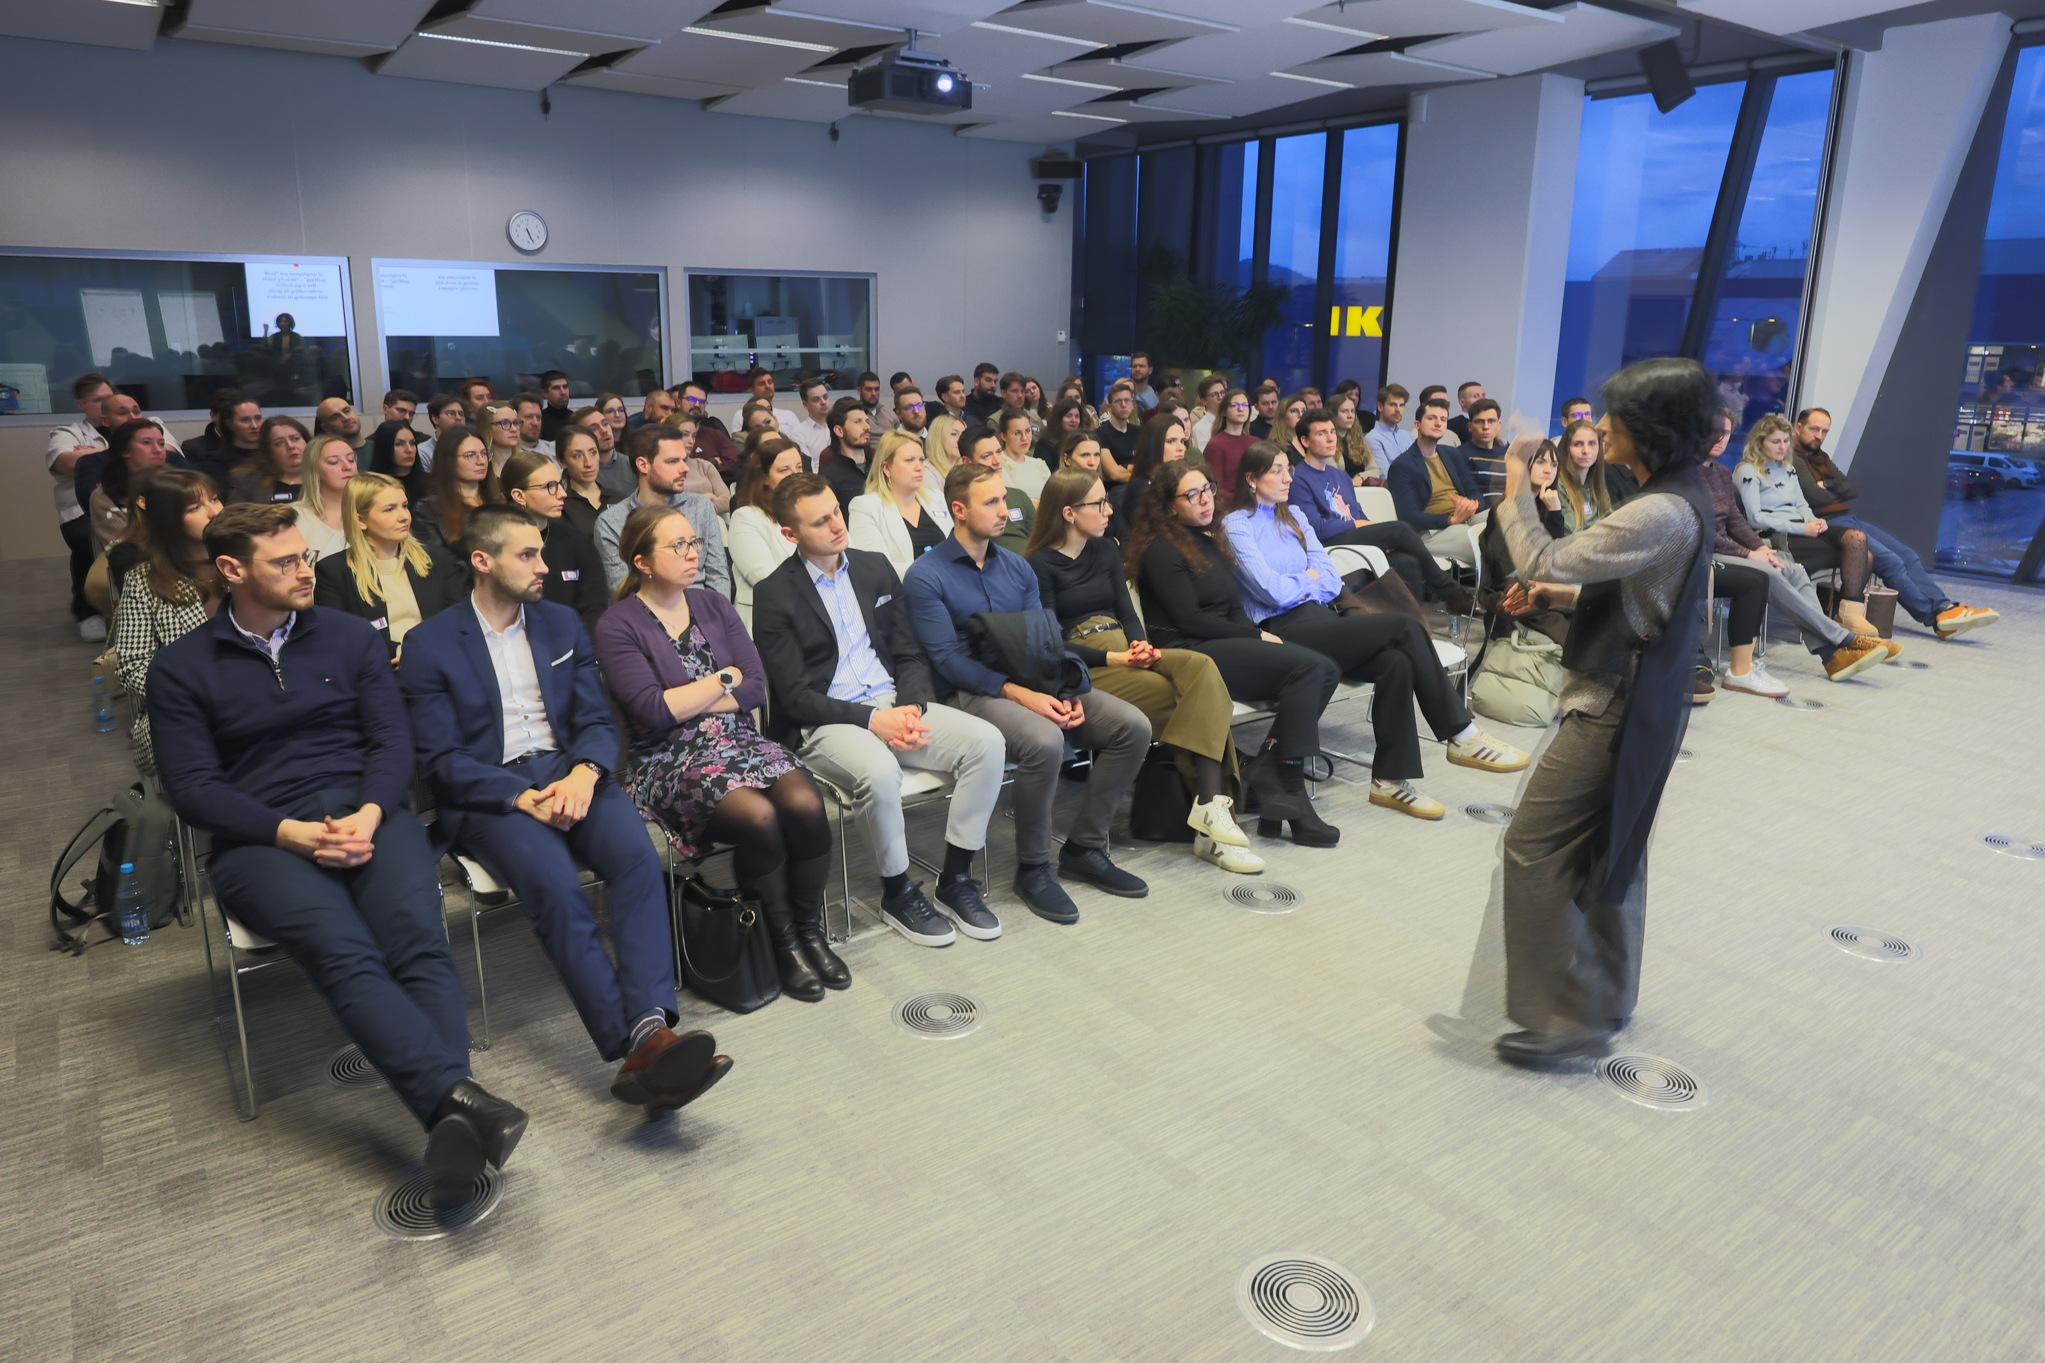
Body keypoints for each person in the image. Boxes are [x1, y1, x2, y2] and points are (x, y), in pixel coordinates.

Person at [149, 502, 528, 1182]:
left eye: (304, 555)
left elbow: (391, 741)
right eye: (284, 562)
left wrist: (373, 811)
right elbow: (193, 788)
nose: (306, 570)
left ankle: (451, 1112)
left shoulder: (349, 636)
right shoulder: (182, 666)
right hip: (260, 836)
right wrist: (286, 832)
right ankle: (457, 1100)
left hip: (367, 813)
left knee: (417, 936)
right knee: (342, 948)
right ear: (232, 570)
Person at [398, 505, 728, 1110]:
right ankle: (640, 1042)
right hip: (492, 792)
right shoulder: (430, 643)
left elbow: (597, 720)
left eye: (542, 552)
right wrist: (519, 796)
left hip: (571, 772)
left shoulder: (559, 622)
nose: (543, 566)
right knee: (556, 887)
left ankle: (649, 1030)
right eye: (527, 555)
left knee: (637, 860)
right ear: (482, 561)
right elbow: (440, 760)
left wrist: (584, 772)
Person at [1489, 358, 1716, 1070]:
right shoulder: (1678, 492)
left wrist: (1514, 481)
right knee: (1615, 849)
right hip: (1644, 698)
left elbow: (1542, 558)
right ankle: (1604, 999)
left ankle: (1565, 1018)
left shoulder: (1658, 509)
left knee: (1532, 845)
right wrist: (1564, 598)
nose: (1601, 425)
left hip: (1613, 701)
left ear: (1648, 427)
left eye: (1615, 416)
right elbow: (1639, 590)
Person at [594, 504, 838, 1003]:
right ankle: (783, 944)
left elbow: (755, 687)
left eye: (695, 543)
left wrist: (698, 695)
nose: (693, 553)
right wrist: (723, 678)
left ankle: (810, 931)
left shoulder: (713, 604)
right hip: (667, 759)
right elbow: (653, 712)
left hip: (739, 741)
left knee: (806, 803)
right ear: (642, 562)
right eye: (678, 545)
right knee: (759, 816)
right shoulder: (618, 624)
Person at [755, 473, 1008, 947]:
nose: (837, 525)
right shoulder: (774, 593)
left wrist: (909, 708)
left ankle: (956, 879)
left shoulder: (874, 567)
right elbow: (793, 697)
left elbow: (909, 652)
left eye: (836, 511)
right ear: (790, 534)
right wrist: (876, 722)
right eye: (820, 522)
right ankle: (898, 891)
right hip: (827, 719)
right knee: (878, 772)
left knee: (987, 743)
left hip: (894, 701)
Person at [1225, 442, 1527, 827]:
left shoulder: (1295, 515)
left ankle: (1389, 781)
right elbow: (1273, 593)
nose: (1288, 478)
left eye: (1289, 469)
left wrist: (1305, 580)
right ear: (1251, 479)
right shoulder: (1237, 524)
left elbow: (1330, 578)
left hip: (1321, 619)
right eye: (1277, 471)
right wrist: (1309, 579)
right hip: (1283, 630)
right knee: (1403, 626)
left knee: (1396, 663)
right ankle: (1461, 732)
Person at [905, 461, 1152, 924]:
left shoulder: (1017, 568)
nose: (1006, 510)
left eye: (1004, 499)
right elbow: (948, 660)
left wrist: (1065, 688)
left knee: (1132, 726)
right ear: (959, 510)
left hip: (1032, 681)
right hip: (970, 692)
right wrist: (1023, 695)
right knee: (1044, 740)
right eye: (992, 502)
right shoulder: (926, 574)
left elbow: (1045, 643)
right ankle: (1034, 868)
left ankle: (1084, 848)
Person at [1025, 469, 1260, 874]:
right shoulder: (1038, 565)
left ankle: (1209, 809)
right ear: (1068, 512)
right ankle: (1216, 827)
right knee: (1198, 704)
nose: (1109, 510)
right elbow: (1049, 644)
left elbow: (1126, 612)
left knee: (1203, 668)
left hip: (1125, 648)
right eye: (1099, 503)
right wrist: (1114, 659)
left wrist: (1139, 644)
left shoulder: (1104, 550)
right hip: (1084, 663)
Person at [1127, 461, 1343, 840]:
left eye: (1207, 489)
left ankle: (1270, 769)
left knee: (1325, 668)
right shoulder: (1161, 551)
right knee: (1309, 669)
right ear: (1168, 505)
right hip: (1190, 652)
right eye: (1191, 495)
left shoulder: (1207, 539)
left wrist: (1254, 633)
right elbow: (1190, 620)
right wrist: (1256, 639)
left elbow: (1232, 607)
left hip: (1222, 641)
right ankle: (1287, 787)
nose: (1205, 499)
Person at [1698, 410, 1889, 684]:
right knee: (1768, 572)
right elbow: (1710, 530)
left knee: (1796, 570)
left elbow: (1735, 521)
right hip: (1706, 553)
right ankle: (1842, 640)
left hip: (1736, 546)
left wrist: (1759, 549)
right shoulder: (1704, 474)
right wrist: (1751, 552)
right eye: (1715, 431)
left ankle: (1832, 656)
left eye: (1726, 433)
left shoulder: (1721, 473)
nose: (1720, 438)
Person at [1790, 407, 1998, 640]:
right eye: (1814, 429)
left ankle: (1945, 608)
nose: (1819, 436)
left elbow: (1852, 488)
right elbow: (1814, 496)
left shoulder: (1821, 457)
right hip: (1826, 524)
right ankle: (1937, 617)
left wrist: (1828, 485)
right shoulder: (1794, 458)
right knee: (1891, 562)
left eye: (1824, 431)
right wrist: (1831, 490)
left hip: (1846, 518)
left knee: (1909, 555)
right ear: (1799, 428)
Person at [1287, 407, 1471, 611]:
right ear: (1305, 441)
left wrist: (1378, 536)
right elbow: (1315, 528)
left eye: (1332, 432)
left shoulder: (1340, 475)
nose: (1331, 438)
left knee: (1407, 562)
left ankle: (1414, 623)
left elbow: (1356, 512)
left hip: (1353, 535)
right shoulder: (1298, 479)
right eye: (1322, 433)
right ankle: (1452, 592)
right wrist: (1359, 525)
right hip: (1329, 543)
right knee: (1400, 529)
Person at [113, 469, 223, 779]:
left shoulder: (249, 563)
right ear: (169, 519)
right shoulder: (144, 581)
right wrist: (193, 693)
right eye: (195, 507)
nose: (213, 512)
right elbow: (132, 666)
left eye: (215, 499)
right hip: (184, 710)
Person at [1735, 415, 1883, 637]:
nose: (1783, 447)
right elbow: (1755, 518)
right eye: (1776, 441)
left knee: (1858, 541)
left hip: (1803, 531)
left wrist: (1813, 521)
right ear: (1759, 442)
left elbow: (1801, 505)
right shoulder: (1747, 471)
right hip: (1777, 536)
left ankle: (1849, 613)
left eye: (1786, 441)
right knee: (1864, 557)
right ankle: (1847, 618)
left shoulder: (1788, 468)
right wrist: (1803, 529)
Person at [314, 471, 466, 659]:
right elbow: (338, 635)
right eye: (389, 509)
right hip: (379, 666)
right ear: (361, 520)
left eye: (404, 506)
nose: (404, 516)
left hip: (438, 659)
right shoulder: (334, 571)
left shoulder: (438, 560)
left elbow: (458, 621)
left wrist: (421, 653)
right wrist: (400, 652)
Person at [594, 424, 730, 598]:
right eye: (672, 461)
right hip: (646, 612)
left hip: (705, 607)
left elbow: (718, 576)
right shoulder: (612, 522)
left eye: (684, 459)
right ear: (643, 465)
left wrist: (714, 612)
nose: (685, 468)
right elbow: (623, 592)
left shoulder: (700, 506)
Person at [501, 448, 610, 633]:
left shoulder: (576, 542)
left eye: (560, 484)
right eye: (550, 486)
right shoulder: (498, 545)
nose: (562, 493)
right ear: (519, 496)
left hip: (574, 642)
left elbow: (595, 608)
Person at [1387, 397, 1484, 566]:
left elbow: (1474, 490)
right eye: (1431, 418)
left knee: (1507, 523)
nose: (1438, 423)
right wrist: (1451, 520)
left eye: (1443, 419)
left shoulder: (1452, 454)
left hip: (1466, 518)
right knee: (1484, 543)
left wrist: (1473, 504)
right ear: (1417, 425)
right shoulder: (1402, 465)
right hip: (1433, 531)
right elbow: (1409, 516)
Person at [727, 435, 805, 627]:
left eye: (799, 467)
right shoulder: (746, 518)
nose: (795, 475)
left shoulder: (816, 511)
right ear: (764, 478)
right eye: (784, 470)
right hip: (770, 621)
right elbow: (768, 581)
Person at [848, 430, 951, 572]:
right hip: (906, 585)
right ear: (886, 468)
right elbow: (876, 568)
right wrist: (933, 573)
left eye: (921, 460)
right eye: (909, 460)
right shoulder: (865, 507)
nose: (919, 467)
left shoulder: (936, 497)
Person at [411, 426, 498, 552]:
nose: (482, 461)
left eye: (484, 454)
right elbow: (437, 557)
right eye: (470, 455)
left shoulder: (499, 500)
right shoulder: (427, 509)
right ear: (448, 461)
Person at [957, 425, 1033, 555]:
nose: (997, 461)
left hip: (1027, 564)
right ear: (967, 462)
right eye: (987, 456)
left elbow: (1040, 541)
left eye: (998, 452)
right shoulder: (962, 501)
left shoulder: (1019, 496)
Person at [291, 434, 357, 561]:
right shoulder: (294, 517)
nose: (347, 467)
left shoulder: (373, 510)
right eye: (333, 462)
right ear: (314, 469)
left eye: (351, 460)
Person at [556, 424, 624, 539]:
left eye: (593, 453)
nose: (588, 463)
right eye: (577, 456)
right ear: (562, 461)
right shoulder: (558, 505)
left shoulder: (619, 499)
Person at [225, 415, 310, 507]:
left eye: (295, 439)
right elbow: (233, 514)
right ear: (269, 452)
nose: (290, 446)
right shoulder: (248, 482)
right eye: (280, 443)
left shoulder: (321, 475)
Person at [819, 397, 874, 514]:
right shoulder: (829, 477)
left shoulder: (880, 466)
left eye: (867, 421)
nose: (867, 427)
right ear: (839, 431)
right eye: (858, 422)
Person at [1555, 418, 1611, 534]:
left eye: (1592, 443)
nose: (1586, 451)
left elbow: (1611, 526)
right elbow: (1572, 536)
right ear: (1566, 448)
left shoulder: (1597, 484)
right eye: (1578, 444)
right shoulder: (1558, 485)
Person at [1203, 388, 1258, 498]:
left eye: (1245, 405)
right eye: (1234, 405)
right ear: (1224, 411)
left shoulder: (1255, 442)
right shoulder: (1215, 445)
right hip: (1231, 503)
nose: (1241, 409)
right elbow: (1216, 489)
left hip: (1257, 500)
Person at [367, 419, 431, 503]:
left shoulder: (431, 484)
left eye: (412, 443)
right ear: (384, 447)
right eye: (399, 444)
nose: (409, 450)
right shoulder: (371, 488)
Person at [995, 405, 1049, 502]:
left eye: (1028, 431)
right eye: (1017, 433)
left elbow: (1054, 497)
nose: (1024, 438)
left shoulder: (1039, 464)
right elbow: (1014, 501)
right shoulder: (998, 463)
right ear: (1004, 436)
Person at [1093, 380, 1139, 485]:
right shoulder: (1100, 434)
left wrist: (1124, 466)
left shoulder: (1140, 432)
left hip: (1142, 485)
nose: (1123, 405)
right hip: (1117, 488)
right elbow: (1114, 474)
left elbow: (1152, 466)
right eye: (1118, 401)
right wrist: (1141, 473)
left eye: (1127, 400)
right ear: (1110, 407)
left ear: (1132, 405)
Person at [1462, 398, 1510, 497]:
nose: (1486, 427)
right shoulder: (1460, 455)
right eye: (1479, 421)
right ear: (1470, 426)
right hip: (1477, 505)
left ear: (1498, 425)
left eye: (1491, 421)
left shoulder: (1507, 456)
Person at [1333, 392, 1381, 485]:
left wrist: (1360, 477)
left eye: (1352, 411)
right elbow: (1332, 475)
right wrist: (1351, 483)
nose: (1350, 416)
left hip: (1361, 490)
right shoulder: (1327, 442)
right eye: (1344, 411)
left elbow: (1375, 470)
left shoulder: (1359, 440)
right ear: (1333, 414)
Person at [1366, 384, 1415, 471]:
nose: (1398, 410)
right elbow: (1384, 473)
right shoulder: (1372, 438)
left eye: (1401, 405)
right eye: (1393, 405)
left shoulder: (1408, 436)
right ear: (1380, 406)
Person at [788, 376, 834, 470]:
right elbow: (807, 468)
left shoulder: (839, 427)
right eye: (816, 400)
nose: (823, 402)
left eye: (825, 397)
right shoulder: (798, 434)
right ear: (805, 405)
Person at [417, 392, 469, 472]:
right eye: (451, 413)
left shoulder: (473, 446)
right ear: (435, 419)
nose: (458, 418)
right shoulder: (423, 452)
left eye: (461, 414)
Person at [1036, 398, 1087, 473]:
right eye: (1069, 416)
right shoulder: (1045, 444)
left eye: (1077, 416)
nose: (1074, 420)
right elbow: (1045, 473)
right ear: (1058, 418)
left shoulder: (1084, 440)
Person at [480, 401, 524, 474]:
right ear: (487, 427)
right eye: (505, 423)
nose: (514, 429)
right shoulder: (480, 468)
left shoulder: (528, 464)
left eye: (515, 423)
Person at [1188, 374, 1227, 452]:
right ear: (1204, 401)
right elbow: (1206, 457)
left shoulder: (1230, 421)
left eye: (1222, 392)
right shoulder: (1200, 428)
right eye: (1214, 394)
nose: (1220, 397)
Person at [537, 370, 575, 442]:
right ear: (545, 393)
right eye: (556, 388)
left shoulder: (576, 419)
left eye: (565, 387)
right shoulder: (538, 422)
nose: (563, 392)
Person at [924, 412, 963, 478]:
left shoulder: (967, 469)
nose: (960, 440)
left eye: (963, 435)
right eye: (953, 434)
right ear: (938, 437)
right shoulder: (927, 471)